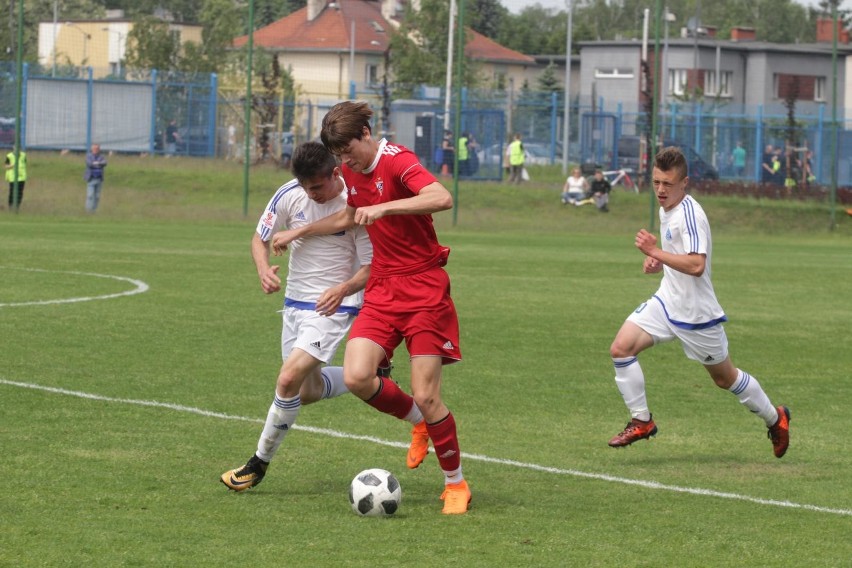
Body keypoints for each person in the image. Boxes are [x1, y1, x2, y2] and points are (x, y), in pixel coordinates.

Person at [271, 101, 471, 514]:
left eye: (348, 152)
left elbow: (441, 196)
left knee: (428, 394)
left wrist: (386, 206)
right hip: (382, 287)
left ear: (366, 133)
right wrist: (300, 231)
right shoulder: (351, 172)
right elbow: (348, 216)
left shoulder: (398, 161)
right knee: (358, 376)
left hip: (423, 288)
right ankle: (419, 423)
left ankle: (455, 483)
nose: (345, 163)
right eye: (339, 157)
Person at [220, 142, 426, 492]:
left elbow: (370, 267)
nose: (311, 194)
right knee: (307, 391)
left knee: (287, 380)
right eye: (305, 187)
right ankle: (368, 375)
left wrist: (343, 289)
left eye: (317, 186)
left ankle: (257, 464)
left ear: (335, 173)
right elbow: (260, 237)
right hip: (294, 306)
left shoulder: (356, 203)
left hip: (333, 308)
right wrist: (262, 269)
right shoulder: (289, 193)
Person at [607, 146, 790, 458]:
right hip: (667, 302)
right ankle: (642, 421)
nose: (660, 190)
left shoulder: (690, 214)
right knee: (620, 349)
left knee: (725, 378)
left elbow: (696, 265)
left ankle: (776, 418)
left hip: (696, 316)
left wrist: (654, 252)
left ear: (685, 183)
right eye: (656, 183)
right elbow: (679, 257)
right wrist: (660, 263)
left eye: (667, 184)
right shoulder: (668, 209)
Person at [84, 144, 107, 213]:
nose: (95, 150)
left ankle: (94, 210)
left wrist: (96, 163)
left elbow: (104, 163)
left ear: (99, 149)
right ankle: (88, 211)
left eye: (97, 149)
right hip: (91, 178)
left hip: (99, 179)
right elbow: (89, 164)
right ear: (92, 149)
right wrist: (98, 164)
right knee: (90, 195)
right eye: (94, 149)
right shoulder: (89, 156)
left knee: (97, 196)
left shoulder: (101, 156)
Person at [4, 145, 27, 211]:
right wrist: (12, 165)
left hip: (22, 177)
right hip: (13, 177)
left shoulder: (23, 155)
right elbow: (6, 166)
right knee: (12, 192)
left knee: (20, 192)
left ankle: (17, 206)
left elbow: (24, 164)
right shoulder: (9, 156)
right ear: (13, 148)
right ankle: (10, 205)